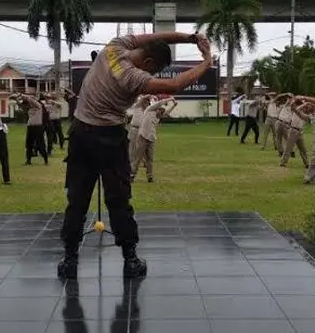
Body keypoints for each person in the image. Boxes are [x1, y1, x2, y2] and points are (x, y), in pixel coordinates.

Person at [58, 31, 212, 280]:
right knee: (119, 200)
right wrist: (206, 61)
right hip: (108, 138)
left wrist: (189, 37)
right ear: (149, 64)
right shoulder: (133, 77)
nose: (151, 77)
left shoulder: (115, 46)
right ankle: (130, 259)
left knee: (77, 200)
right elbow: (175, 85)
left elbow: (155, 35)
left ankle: (69, 260)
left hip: (80, 136)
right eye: (154, 72)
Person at [131, 96, 178, 183]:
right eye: (160, 110)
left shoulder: (158, 116)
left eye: (162, 111)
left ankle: (150, 176)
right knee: (137, 157)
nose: (161, 112)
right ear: (157, 109)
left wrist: (173, 106)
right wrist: (170, 99)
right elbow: (159, 103)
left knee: (150, 159)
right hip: (143, 136)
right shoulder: (149, 110)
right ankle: (132, 175)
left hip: (151, 138)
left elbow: (166, 113)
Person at [13, 93, 48, 165]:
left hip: (38, 127)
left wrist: (22, 95)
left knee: (40, 144)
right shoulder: (30, 108)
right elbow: (21, 106)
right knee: (29, 144)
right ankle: (28, 160)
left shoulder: (39, 106)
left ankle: (45, 159)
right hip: (30, 127)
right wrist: (16, 99)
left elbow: (30, 100)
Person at [279, 96, 308, 169]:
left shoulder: (306, 114)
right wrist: (297, 100)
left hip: (300, 131)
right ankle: (283, 162)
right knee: (289, 147)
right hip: (293, 130)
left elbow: (304, 114)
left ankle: (307, 163)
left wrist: (304, 102)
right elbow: (293, 106)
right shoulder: (296, 110)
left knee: (303, 149)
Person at [126, 94, 153, 167]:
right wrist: (146, 96)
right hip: (134, 129)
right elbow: (139, 101)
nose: (145, 103)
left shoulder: (148, 111)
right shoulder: (137, 107)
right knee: (132, 147)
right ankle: (130, 162)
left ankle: (144, 162)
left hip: (142, 131)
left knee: (141, 147)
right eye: (144, 102)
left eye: (147, 102)